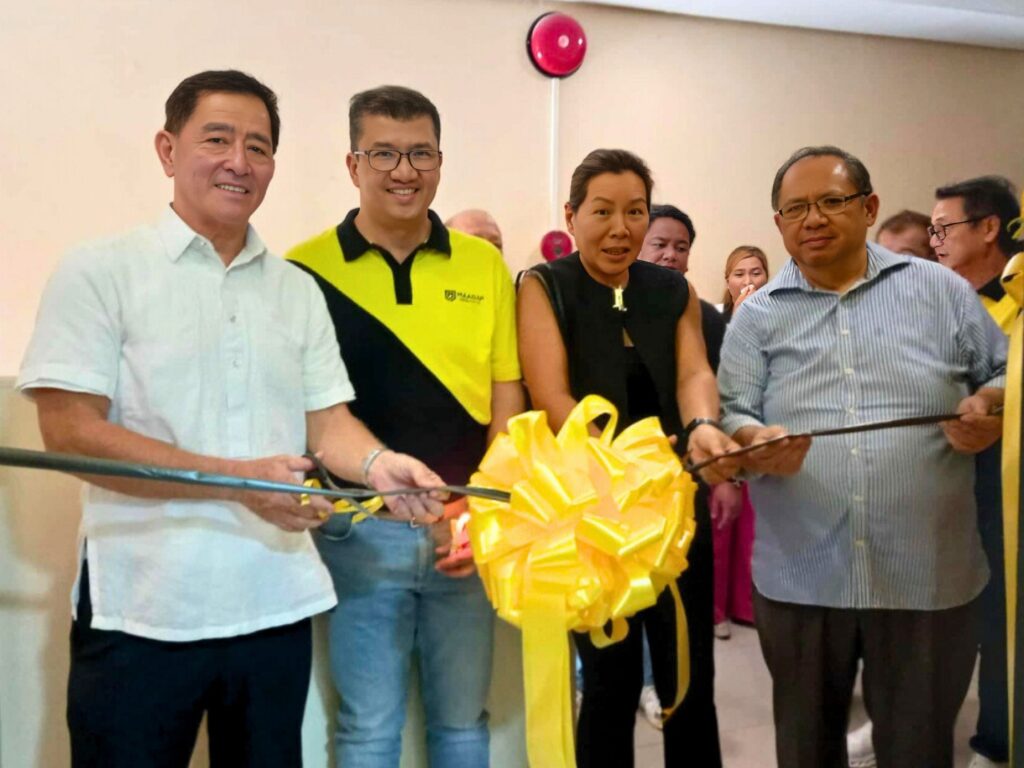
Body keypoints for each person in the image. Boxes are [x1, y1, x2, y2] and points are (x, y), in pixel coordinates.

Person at [15, 70, 444, 768]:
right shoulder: (99, 271)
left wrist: (378, 466)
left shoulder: (295, 290)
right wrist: (240, 482)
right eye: (217, 139)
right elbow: (70, 433)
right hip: (142, 610)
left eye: (259, 147)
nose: (239, 162)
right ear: (167, 149)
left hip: (274, 605)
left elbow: (327, 423)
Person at [718, 145, 1007, 768]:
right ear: (778, 224)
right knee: (805, 747)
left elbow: (1007, 371)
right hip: (801, 576)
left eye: (831, 201)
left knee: (918, 748)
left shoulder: (941, 291)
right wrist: (753, 441)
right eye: (795, 208)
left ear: (869, 207)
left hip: (927, 574)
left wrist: (989, 405)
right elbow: (732, 411)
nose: (813, 219)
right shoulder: (756, 317)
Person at [286, 85, 523, 768]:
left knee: (463, 724)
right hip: (358, 534)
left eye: (421, 153)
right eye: (383, 153)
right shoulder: (302, 270)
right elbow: (306, 412)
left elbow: (506, 398)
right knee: (367, 729)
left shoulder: (484, 265)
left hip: (464, 532)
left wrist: (478, 512)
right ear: (352, 164)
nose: (404, 170)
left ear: (440, 162)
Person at [517, 148, 739, 768]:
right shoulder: (544, 286)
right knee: (608, 682)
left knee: (688, 676)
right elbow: (552, 397)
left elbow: (694, 372)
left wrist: (703, 425)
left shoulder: (672, 290)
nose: (621, 228)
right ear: (571, 216)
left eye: (635, 212)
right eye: (603, 212)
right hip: (595, 511)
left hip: (674, 503)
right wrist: (625, 463)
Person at [710, 245, 771, 640]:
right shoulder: (715, 322)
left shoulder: (780, 317)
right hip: (721, 429)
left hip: (761, 430)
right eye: (739, 273)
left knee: (753, 525)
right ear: (727, 281)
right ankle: (715, 610)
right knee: (720, 524)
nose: (748, 280)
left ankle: (746, 606)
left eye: (756, 272)